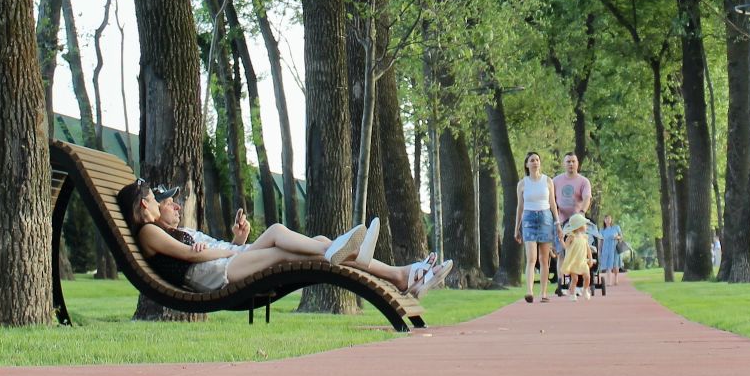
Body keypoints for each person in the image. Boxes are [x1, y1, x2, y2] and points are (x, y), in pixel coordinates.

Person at [127, 179, 451, 297]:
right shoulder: (149, 231)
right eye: (161, 200)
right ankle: (394, 271)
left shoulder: (168, 231)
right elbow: (192, 257)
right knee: (279, 235)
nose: (173, 205)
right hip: (215, 272)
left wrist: (237, 242)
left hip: (225, 262)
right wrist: (231, 251)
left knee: (316, 242)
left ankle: (399, 275)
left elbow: (201, 252)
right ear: (144, 205)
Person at [515, 151, 558, 302]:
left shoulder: (548, 181)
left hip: (545, 218)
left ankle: (544, 293)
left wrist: (557, 223)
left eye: (537, 160)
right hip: (529, 219)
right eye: (532, 160)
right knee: (531, 258)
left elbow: (553, 203)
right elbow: (520, 207)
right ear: (527, 164)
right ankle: (529, 291)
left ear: (540, 163)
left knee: (544, 258)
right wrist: (516, 227)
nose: (535, 162)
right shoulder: (522, 183)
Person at [551, 153, 592, 295]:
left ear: (577, 164)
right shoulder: (556, 181)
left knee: (578, 251)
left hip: (577, 222)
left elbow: (587, 198)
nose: (571, 164)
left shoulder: (584, 181)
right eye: (568, 161)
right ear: (564, 164)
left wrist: (582, 212)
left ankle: (578, 284)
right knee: (562, 252)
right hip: (561, 220)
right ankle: (561, 283)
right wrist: (555, 215)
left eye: (573, 161)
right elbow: (551, 199)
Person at [559, 211, 592, 300]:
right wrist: (561, 240)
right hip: (574, 262)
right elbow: (566, 247)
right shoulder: (571, 237)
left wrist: (590, 259)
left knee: (587, 277)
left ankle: (585, 290)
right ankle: (572, 294)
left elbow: (588, 249)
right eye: (584, 224)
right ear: (579, 226)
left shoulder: (584, 237)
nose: (586, 226)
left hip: (583, 261)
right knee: (575, 279)